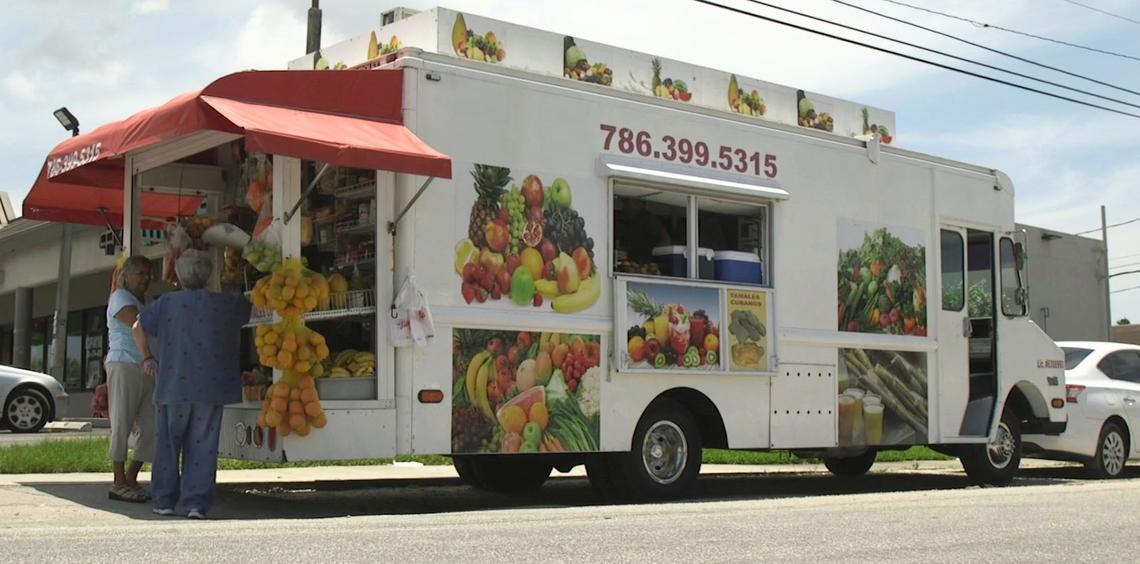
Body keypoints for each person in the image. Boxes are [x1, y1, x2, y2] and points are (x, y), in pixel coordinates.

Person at [133, 249, 252, 519]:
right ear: (209, 275)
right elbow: (249, 309)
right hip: (211, 385)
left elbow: (137, 327)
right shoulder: (225, 303)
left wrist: (147, 357)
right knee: (203, 446)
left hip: (172, 385)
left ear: (178, 275)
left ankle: (163, 500)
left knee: (167, 445)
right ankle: (196, 504)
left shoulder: (166, 303)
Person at [105, 255, 156, 503]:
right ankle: (118, 481)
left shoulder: (146, 301)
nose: (146, 279)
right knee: (122, 422)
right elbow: (139, 325)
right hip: (125, 363)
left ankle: (131, 476)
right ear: (127, 275)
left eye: (149, 275)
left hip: (148, 367)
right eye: (141, 274)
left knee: (151, 424)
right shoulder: (121, 298)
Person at [616, 197, 671, 264]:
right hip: (629, 265)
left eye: (626, 202)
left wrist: (653, 257)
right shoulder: (625, 221)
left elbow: (665, 239)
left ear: (638, 203)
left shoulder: (648, 219)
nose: (624, 206)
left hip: (645, 266)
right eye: (624, 202)